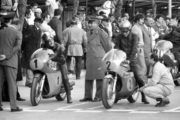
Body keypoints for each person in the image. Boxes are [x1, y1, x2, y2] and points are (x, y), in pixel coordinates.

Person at [79, 17, 112, 102]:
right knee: (88, 77)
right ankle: (87, 96)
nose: (89, 24)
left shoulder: (102, 33)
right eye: (88, 22)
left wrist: (108, 56)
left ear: (97, 24)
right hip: (90, 58)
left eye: (91, 22)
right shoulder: (87, 33)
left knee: (100, 78)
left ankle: (99, 96)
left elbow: (108, 46)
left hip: (99, 58)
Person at [41, 32, 72, 103]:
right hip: (50, 61)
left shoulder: (59, 46)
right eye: (47, 40)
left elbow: (55, 55)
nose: (50, 42)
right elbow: (41, 52)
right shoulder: (43, 46)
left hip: (60, 62)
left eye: (50, 40)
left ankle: (69, 96)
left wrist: (50, 57)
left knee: (64, 77)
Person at [0, 14, 22, 112]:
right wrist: (7, 56)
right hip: (11, 61)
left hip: (0, 60)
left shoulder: (1, 31)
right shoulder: (17, 33)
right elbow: (17, 47)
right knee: (12, 84)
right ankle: (13, 106)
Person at [131, 14, 149, 104]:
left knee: (142, 70)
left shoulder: (140, 27)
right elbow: (135, 41)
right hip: (138, 50)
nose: (143, 21)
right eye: (142, 19)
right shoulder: (135, 28)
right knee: (141, 71)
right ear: (138, 20)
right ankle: (143, 94)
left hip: (141, 50)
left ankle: (143, 93)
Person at [22, 18, 42, 87]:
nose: (40, 24)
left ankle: (33, 80)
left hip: (36, 50)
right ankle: (29, 81)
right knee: (29, 64)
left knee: (34, 64)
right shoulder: (30, 28)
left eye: (40, 22)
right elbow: (25, 39)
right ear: (35, 22)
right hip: (29, 49)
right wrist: (24, 48)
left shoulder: (39, 30)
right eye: (38, 22)